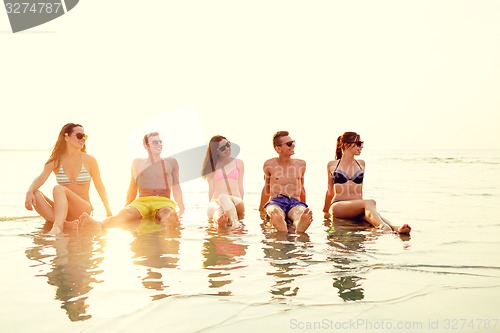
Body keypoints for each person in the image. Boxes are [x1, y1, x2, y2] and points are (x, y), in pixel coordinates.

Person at [79, 132, 184, 229]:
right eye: (155, 142)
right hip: (143, 201)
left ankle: (169, 222)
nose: (159, 144)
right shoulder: (137, 163)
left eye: (160, 141)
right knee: (124, 214)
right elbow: (133, 187)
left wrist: (181, 207)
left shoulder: (171, 162)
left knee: (166, 212)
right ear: (146, 146)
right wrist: (127, 205)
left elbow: (176, 187)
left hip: (163, 201)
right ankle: (98, 225)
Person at [24, 123, 112, 236]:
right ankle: (65, 224)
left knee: (58, 189)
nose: (83, 139)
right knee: (35, 193)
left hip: (83, 208)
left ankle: (57, 227)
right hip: (63, 211)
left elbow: (99, 186)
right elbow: (41, 178)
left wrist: (108, 210)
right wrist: (29, 192)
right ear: (66, 137)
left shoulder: (90, 160)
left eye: (85, 136)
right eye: (79, 136)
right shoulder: (55, 160)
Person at [323, 131, 411, 234]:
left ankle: (395, 227)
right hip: (338, 205)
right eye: (358, 143)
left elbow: (360, 192)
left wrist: (364, 208)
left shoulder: (361, 164)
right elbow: (330, 191)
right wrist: (325, 213)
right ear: (347, 145)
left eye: (362, 143)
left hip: (358, 206)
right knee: (370, 203)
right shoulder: (332, 165)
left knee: (373, 213)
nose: (361, 146)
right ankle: (384, 228)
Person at [259, 131, 313, 233]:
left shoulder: (301, 164)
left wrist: (304, 206)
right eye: (289, 144)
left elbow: (302, 188)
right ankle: (280, 223)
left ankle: (299, 224)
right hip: (277, 201)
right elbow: (266, 188)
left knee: (299, 213)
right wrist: (261, 210)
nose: (293, 145)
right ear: (278, 148)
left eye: (293, 142)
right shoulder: (269, 164)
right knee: (275, 211)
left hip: (295, 201)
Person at [201, 135, 245, 227]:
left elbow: (240, 186)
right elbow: (211, 189)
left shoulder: (239, 163)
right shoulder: (212, 166)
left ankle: (230, 221)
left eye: (228, 144)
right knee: (217, 208)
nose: (227, 149)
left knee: (223, 197)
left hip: (235, 200)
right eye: (222, 148)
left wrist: (241, 204)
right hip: (217, 201)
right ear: (215, 151)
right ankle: (219, 222)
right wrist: (211, 203)